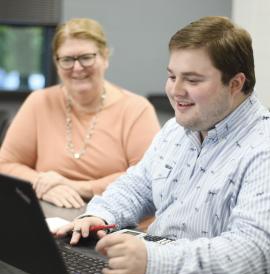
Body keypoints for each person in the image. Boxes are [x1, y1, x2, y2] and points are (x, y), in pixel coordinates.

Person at [55, 16, 270, 274]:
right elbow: (136, 186)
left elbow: (254, 253)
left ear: (235, 83)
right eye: (171, 76)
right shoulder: (178, 129)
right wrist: (99, 215)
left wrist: (154, 261)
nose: (175, 91)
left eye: (192, 80)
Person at [0, 18, 160, 210]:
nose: (77, 68)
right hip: (50, 218)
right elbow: (5, 164)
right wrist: (42, 185)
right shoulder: (39, 102)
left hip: (116, 220)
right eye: (67, 59)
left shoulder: (136, 109)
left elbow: (147, 179)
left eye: (86, 57)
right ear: (57, 63)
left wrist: (78, 187)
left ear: (105, 57)